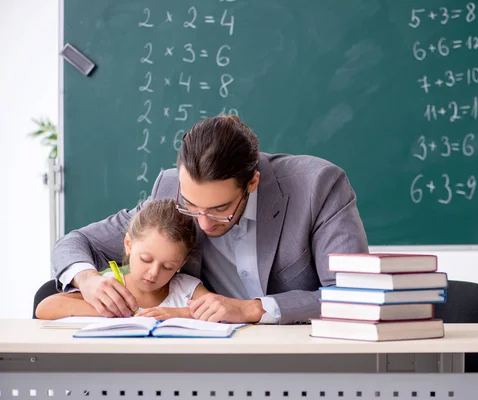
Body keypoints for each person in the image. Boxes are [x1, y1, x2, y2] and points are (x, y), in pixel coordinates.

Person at [51, 114, 369, 324]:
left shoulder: (318, 186)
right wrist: (87, 279)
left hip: (298, 356)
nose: (202, 224)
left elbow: (355, 296)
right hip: (205, 359)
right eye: (191, 205)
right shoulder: (169, 189)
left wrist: (253, 308)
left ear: (252, 183)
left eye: (220, 209)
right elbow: (76, 241)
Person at [38, 199, 210, 320]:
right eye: (146, 259)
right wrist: (107, 309)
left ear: (182, 263)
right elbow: (45, 308)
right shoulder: (108, 286)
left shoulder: (187, 288)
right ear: (128, 244)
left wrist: (179, 314)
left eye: (168, 266)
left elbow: (218, 313)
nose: (153, 273)